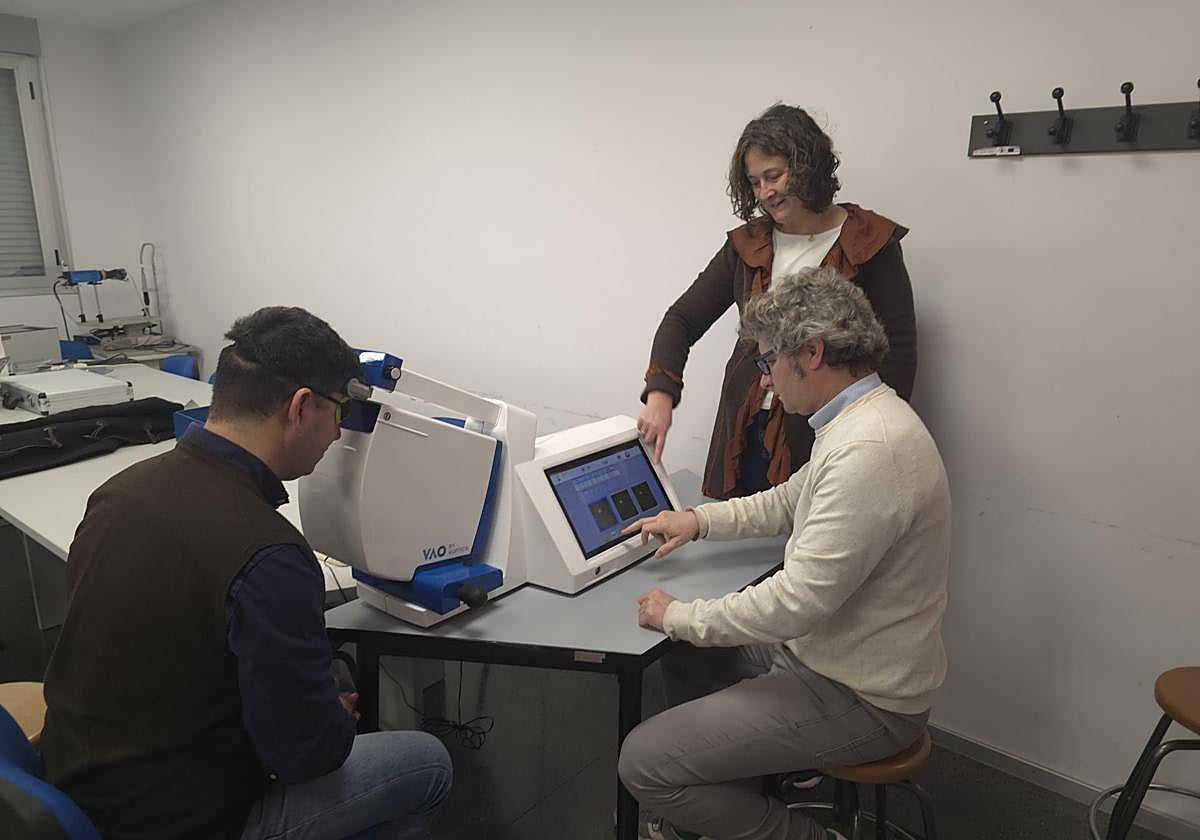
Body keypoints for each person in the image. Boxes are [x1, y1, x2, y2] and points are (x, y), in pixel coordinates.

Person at [39, 307, 452, 840]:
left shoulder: (121, 490)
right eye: (340, 413)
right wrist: (327, 716)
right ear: (302, 407)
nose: (336, 434)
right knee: (426, 762)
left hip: (79, 784)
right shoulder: (269, 555)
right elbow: (309, 757)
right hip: (183, 820)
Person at [617, 267, 950, 840]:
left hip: (862, 695)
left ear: (812, 353)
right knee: (685, 656)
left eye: (768, 362)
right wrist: (698, 520)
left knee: (643, 764)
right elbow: (789, 501)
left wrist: (681, 614)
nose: (766, 381)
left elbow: (796, 603)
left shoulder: (869, 449)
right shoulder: (860, 419)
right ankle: (732, 788)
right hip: (831, 656)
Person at [638, 103, 917, 500]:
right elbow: (681, 319)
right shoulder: (746, 244)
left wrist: (876, 441)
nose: (766, 192)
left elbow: (899, 356)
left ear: (806, 166)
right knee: (738, 542)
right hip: (745, 429)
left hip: (826, 436)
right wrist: (659, 396)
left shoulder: (868, 242)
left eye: (774, 176)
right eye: (755, 182)